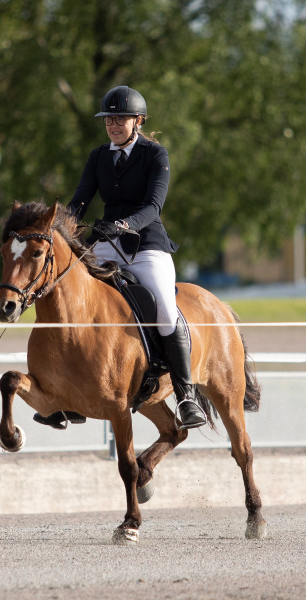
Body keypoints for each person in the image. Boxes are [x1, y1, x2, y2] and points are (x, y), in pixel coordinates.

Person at [66, 85, 207, 430]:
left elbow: (154, 206)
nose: (113, 125)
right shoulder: (98, 156)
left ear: (138, 121)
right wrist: (60, 225)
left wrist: (123, 225)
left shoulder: (155, 155)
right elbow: (81, 199)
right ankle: (70, 393)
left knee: (164, 308)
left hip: (146, 246)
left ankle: (186, 395)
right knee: (71, 294)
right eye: (109, 120)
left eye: (121, 119)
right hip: (106, 242)